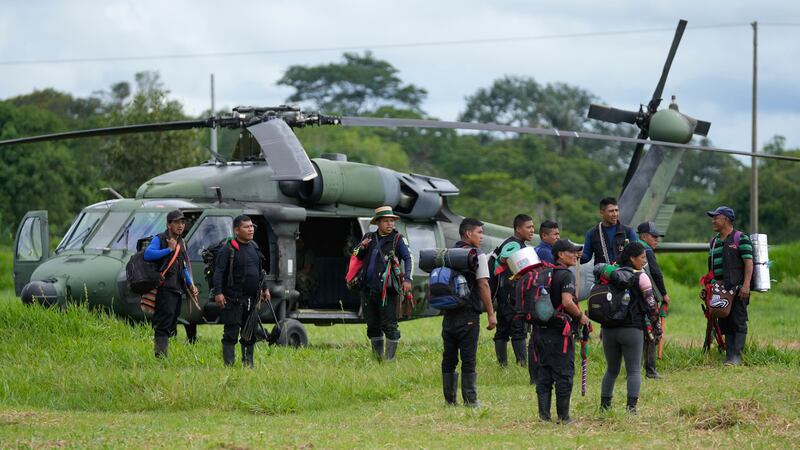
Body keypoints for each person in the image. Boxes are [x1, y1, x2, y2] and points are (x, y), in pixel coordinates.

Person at [531, 239, 591, 423]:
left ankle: (544, 416)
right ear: (560, 255)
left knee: (544, 374)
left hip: (540, 332)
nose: (575, 255)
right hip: (559, 335)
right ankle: (564, 417)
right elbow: (566, 301)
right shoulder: (566, 275)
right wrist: (580, 317)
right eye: (571, 252)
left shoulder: (545, 273)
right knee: (564, 374)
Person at [441, 218, 498, 407]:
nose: (482, 236)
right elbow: (483, 284)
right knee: (468, 357)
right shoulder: (477, 255)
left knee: (449, 356)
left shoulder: (449, 253)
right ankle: (471, 400)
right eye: (479, 232)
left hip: (449, 313)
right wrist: (491, 313)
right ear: (468, 234)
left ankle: (450, 400)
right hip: (468, 313)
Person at [599, 242, 660, 414]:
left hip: (609, 329)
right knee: (633, 370)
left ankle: (605, 407)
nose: (644, 261)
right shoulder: (641, 276)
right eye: (642, 257)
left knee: (611, 370)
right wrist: (656, 326)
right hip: (632, 328)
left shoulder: (611, 274)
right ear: (632, 258)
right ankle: (631, 409)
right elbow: (651, 304)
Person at [353, 206, 413, 361]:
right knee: (372, 326)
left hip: (388, 290)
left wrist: (408, 279)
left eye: (392, 221)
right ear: (378, 222)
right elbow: (356, 255)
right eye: (386, 221)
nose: (390, 224)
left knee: (390, 326)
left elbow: (409, 258)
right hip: (368, 290)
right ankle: (377, 359)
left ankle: (389, 361)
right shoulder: (368, 237)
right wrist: (362, 246)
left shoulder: (398, 239)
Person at [212, 215, 271, 367]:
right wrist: (218, 293)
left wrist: (265, 289)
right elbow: (218, 272)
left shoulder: (254, 247)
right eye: (246, 227)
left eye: (252, 226)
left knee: (249, 333)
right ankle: (229, 365)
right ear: (237, 230)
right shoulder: (228, 249)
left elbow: (260, 271)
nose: (251, 229)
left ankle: (248, 365)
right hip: (233, 299)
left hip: (252, 299)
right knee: (231, 333)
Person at [143, 210, 199, 358]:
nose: (180, 225)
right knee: (163, 324)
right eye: (176, 222)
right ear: (168, 225)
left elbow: (183, 266)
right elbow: (148, 254)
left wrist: (190, 284)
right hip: (164, 289)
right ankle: (160, 357)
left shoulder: (182, 242)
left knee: (171, 323)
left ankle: (163, 355)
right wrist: (169, 249)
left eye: (182, 222)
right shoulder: (160, 238)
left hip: (177, 289)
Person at [706, 206, 753, 366]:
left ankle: (736, 356)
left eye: (716, 218)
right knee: (724, 321)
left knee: (738, 320)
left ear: (726, 219)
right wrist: (708, 287)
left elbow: (748, 263)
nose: (713, 221)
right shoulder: (714, 242)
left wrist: (746, 285)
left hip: (738, 289)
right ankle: (729, 356)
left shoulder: (741, 238)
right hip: (720, 289)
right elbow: (711, 268)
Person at [492, 214, 535, 367]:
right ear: (518, 229)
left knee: (502, 330)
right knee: (518, 330)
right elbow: (522, 272)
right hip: (513, 295)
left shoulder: (510, 244)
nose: (532, 230)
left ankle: (502, 366)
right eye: (528, 227)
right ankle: (522, 365)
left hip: (504, 294)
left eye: (532, 227)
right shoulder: (515, 246)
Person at [636, 221, 670, 379]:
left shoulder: (632, 248)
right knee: (651, 332)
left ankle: (634, 369)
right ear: (644, 236)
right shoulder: (647, 250)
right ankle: (650, 370)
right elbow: (656, 273)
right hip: (647, 297)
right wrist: (664, 294)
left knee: (637, 332)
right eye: (654, 236)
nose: (657, 240)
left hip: (633, 298)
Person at [581, 197, 637, 265]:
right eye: (611, 211)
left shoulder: (628, 231)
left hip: (623, 271)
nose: (615, 214)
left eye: (616, 210)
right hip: (602, 271)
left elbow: (637, 254)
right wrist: (576, 254)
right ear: (602, 213)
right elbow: (586, 257)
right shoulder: (592, 234)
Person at [295, 235, 317, 303]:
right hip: (298, 275)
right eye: (298, 242)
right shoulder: (294, 252)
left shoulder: (307, 252)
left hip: (311, 278)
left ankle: (305, 301)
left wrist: (293, 274)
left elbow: (307, 270)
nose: (300, 244)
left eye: (302, 242)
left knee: (300, 277)